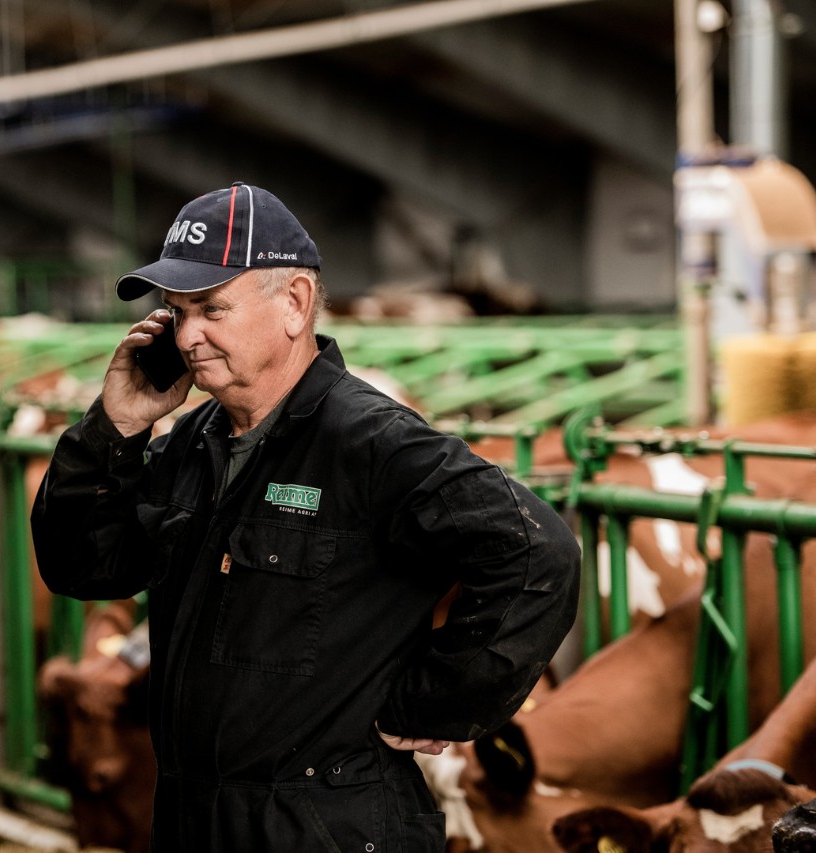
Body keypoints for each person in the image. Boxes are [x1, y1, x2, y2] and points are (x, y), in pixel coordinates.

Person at [31, 182, 581, 852]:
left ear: (293, 303)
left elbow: (538, 552)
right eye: (176, 312)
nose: (188, 335)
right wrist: (113, 426)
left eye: (211, 307)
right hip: (195, 815)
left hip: (326, 824)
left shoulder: (372, 442)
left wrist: (435, 702)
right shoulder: (195, 441)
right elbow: (80, 564)